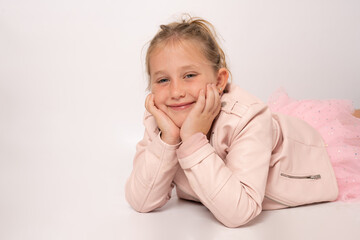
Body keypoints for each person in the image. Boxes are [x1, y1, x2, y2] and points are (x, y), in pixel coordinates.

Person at [125, 15, 360, 228]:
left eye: (189, 76)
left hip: (309, 156)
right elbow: (141, 201)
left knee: (351, 130)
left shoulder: (248, 118)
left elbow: (239, 212)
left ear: (219, 80)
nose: (176, 92)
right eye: (163, 80)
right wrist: (168, 140)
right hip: (270, 135)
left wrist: (193, 140)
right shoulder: (160, 122)